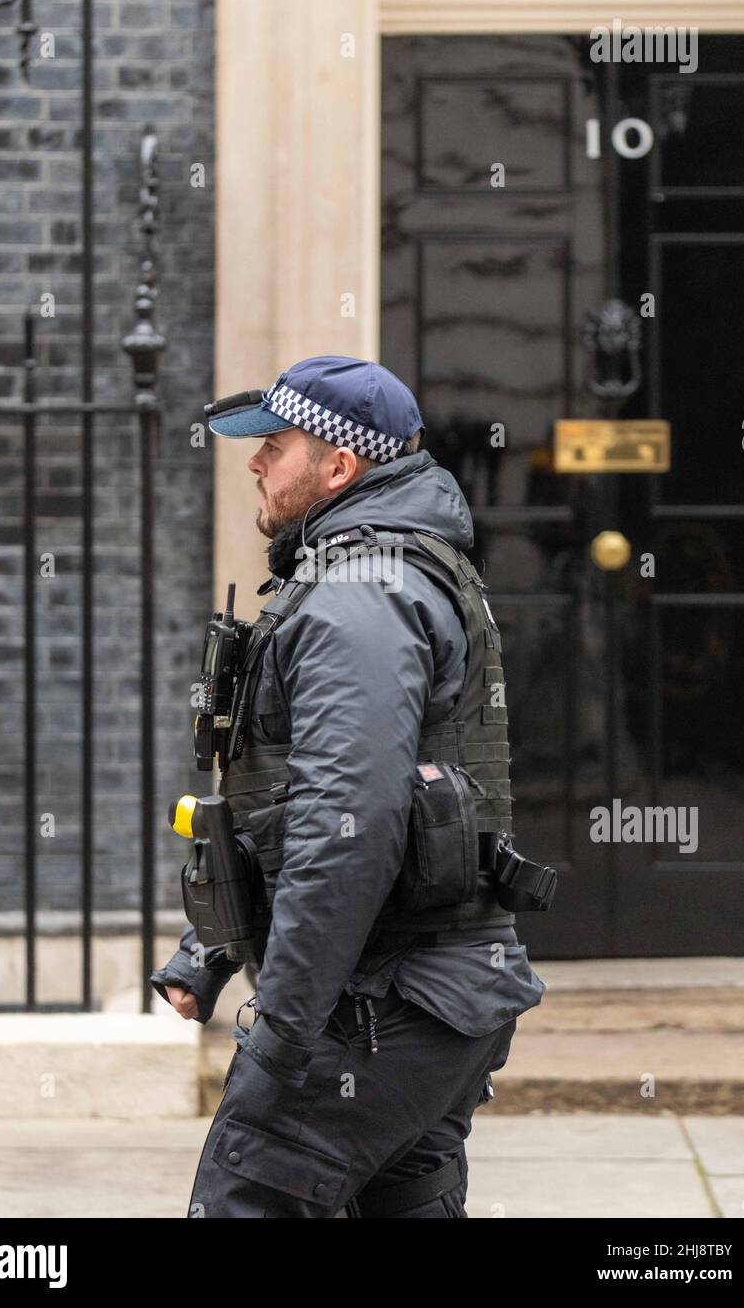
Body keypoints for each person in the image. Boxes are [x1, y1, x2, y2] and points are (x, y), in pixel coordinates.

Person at [150, 354, 547, 1218]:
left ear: (339, 466)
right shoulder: (359, 576)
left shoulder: (360, 597)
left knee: (246, 1200)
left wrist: (283, 1029)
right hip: (431, 999)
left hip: (380, 1009)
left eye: (276, 445)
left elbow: (347, 827)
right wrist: (209, 951)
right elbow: (282, 804)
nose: (255, 462)